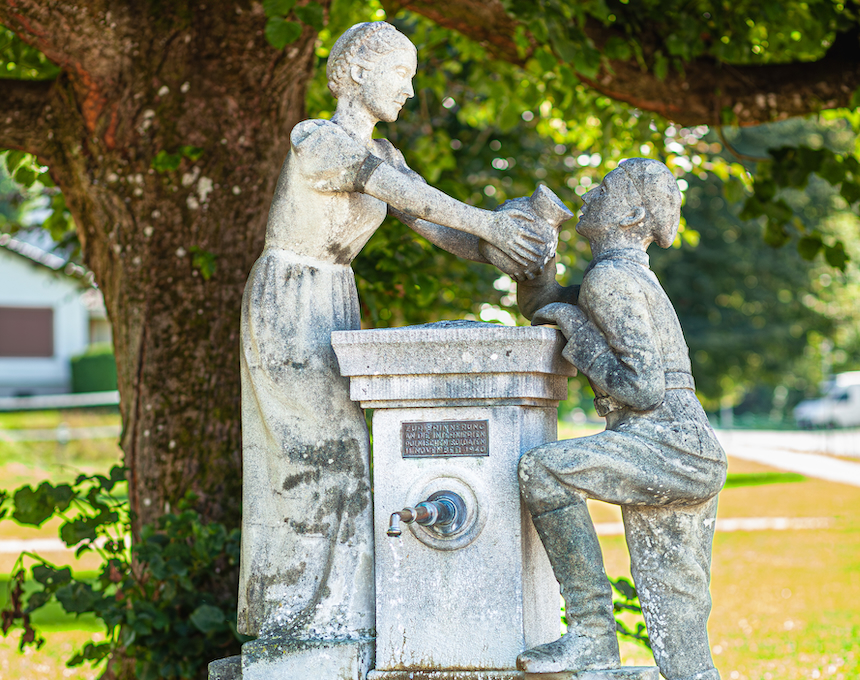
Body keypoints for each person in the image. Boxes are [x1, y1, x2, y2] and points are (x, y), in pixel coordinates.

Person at [238, 21, 552, 643]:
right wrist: (492, 224)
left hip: (333, 298)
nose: (409, 90)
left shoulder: (389, 157)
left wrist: (514, 247)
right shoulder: (318, 139)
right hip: (289, 300)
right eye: (400, 74)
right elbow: (409, 197)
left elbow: (444, 227)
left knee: (350, 458)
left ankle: (338, 617)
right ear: (355, 71)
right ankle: (294, 621)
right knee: (314, 458)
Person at [516, 158, 727, 680]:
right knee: (680, 638)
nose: (590, 191)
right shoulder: (619, 276)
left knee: (543, 470)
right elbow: (541, 303)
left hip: (666, 442)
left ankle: (590, 635)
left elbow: (641, 387)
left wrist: (572, 327)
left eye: (605, 186)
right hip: (689, 450)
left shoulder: (611, 278)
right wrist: (540, 256)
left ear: (631, 213)